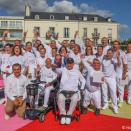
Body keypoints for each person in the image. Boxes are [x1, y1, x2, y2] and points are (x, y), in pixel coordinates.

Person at [52, 58, 85, 125]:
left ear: (73, 64)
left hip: (73, 91)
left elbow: (83, 80)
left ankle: (69, 114)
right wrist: (53, 67)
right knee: (60, 98)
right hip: (63, 91)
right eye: (68, 63)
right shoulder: (63, 69)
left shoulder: (77, 71)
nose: (69, 64)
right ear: (66, 63)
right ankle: (63, 113)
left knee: (75, 98)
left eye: (70, 63)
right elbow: (56, 70)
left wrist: (81, 88)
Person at [102, 49, 121, 114]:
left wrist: (118, 58)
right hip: (104, 78)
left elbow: (119, 64)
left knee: (113, 93)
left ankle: (115, 107)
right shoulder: (104, 61)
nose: (108, 54)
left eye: (110, 53)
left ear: (112, 54)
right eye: (107, 53)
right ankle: (105, 104)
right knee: (104, 92)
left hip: (112, 78)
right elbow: (101, 70)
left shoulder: (114, 60)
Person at [113, 41, 127, 107]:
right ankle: (115, 99)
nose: (114, 45)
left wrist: (124, 74)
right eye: (113, 44)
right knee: (114, 88)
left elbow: (125, 64)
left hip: (120, 73)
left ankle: (121, 101)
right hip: (113, 74)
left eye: (116, 44)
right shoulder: (112, 52)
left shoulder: (122, 53)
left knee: (121, 88)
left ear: (119, 45)